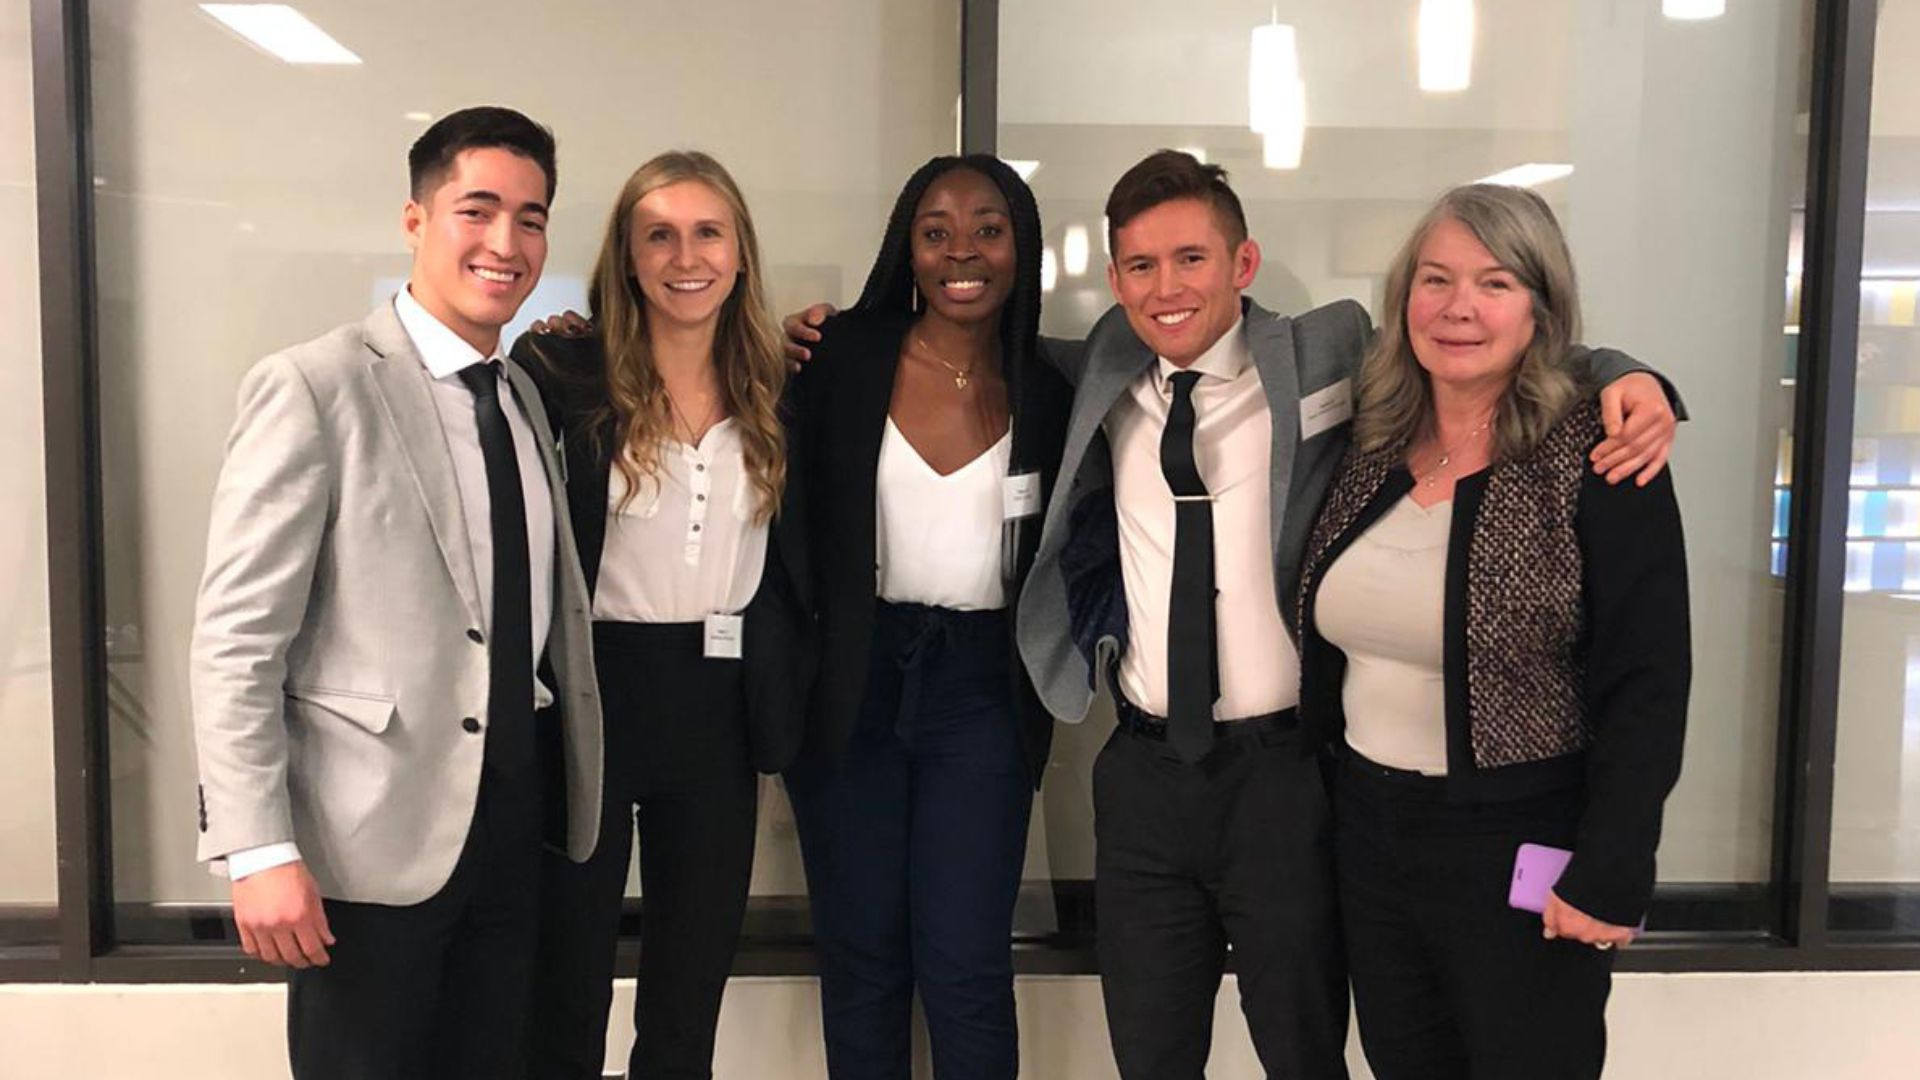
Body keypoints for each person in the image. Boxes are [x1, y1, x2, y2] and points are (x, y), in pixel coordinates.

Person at [1010, 151, 1680, 1080]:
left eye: (1193, 259)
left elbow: (1495, 344)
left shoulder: (1333, 360)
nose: (1167, 289)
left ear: (1243, 264)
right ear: (1116, 279)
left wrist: (1634, 375)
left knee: (1306, 1048)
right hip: (1155, 778)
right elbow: (974, 349)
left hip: (1289, 777)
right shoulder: (1104, 371)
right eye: (1140, 266)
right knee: (1156, 1051)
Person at [187, 106, 602, 1080]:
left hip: (511, 829)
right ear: (416, 221)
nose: (507, 243)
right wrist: (256, 847)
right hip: (365, 847)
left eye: (532, 218)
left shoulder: (522, 395)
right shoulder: (316, 386)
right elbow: (237, 641)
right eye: (478, 210)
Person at [1294, 183, 1689, 1080]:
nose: (1459, 307)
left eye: (1495, 282)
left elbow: (1650, 680)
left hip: (1523, 841)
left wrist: (1614, 868)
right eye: (1435, 280)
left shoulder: (1599, 451)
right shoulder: (1371, 441)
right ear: (1404, 300)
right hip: (1368, 832)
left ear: (1541, 309)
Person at [509, 151, 811, 1079]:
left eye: (708, 231)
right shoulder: (561, 371)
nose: (687, 256)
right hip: (590, 700)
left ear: (741, 251)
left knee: (690, 988)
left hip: (719, 706)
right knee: (567, 984)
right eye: (661, 235)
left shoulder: (782, 381)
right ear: (628, 257)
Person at [779, 154, 1072, 1079]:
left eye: (988, 228)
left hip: (982, 692)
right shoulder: (840, 357)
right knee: (862, 960)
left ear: (1021, 247)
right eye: (935, 230)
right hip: (854, 683)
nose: (963, 252)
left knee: (967, 966)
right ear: (907, 247)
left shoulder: (1053, 393)